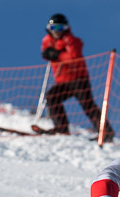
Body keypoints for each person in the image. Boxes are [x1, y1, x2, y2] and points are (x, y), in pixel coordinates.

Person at [35, 13, 115, 141]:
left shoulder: (72, 40)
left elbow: (73, 56)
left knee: (87, 106)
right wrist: (48, 54)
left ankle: (106, 132)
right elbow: (45, 52)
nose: (57, 32)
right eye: (54, 28)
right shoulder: (47, 40)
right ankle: (62, 129)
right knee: (52, 97)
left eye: (60, 28)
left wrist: (57, 55)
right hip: (63, 81)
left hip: (79, 79)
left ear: (65, 28)